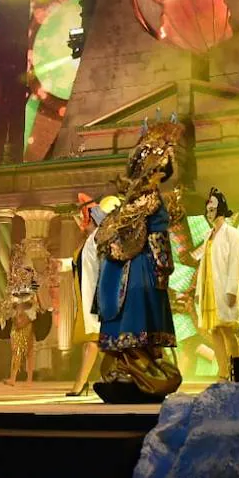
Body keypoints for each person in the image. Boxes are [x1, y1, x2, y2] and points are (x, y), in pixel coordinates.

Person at [93, 114, 184, 403]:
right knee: (131, 323)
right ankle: (130, 372)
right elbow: (146, 237)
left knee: (134, 327)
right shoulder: (143, 199)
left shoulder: (144, 199)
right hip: (135, 269)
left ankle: (136, 372)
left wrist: (161, 265)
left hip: (135, 268)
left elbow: (136, 236)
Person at [59, 195, 116, 396]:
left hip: (97, 297)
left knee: (93, 341)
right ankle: (110, 378)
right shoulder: (90, 240)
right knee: (98, 343)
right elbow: (81, 263)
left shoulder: (100, 238)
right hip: (88, 295)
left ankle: (81, 383)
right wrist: (62, 264)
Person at [192, 189, 239, 381]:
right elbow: (203, 264)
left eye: (212, 209)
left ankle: (237, 369)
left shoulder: (233, 234)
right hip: (209, 289)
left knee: (227, 330)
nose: (209, 213)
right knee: (214, 330)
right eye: (207, 209)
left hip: (223, 288)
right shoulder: (208, 235)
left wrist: (231, 289)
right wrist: (199, 291)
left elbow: (235, 263)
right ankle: (222, 370)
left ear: (221, 209)